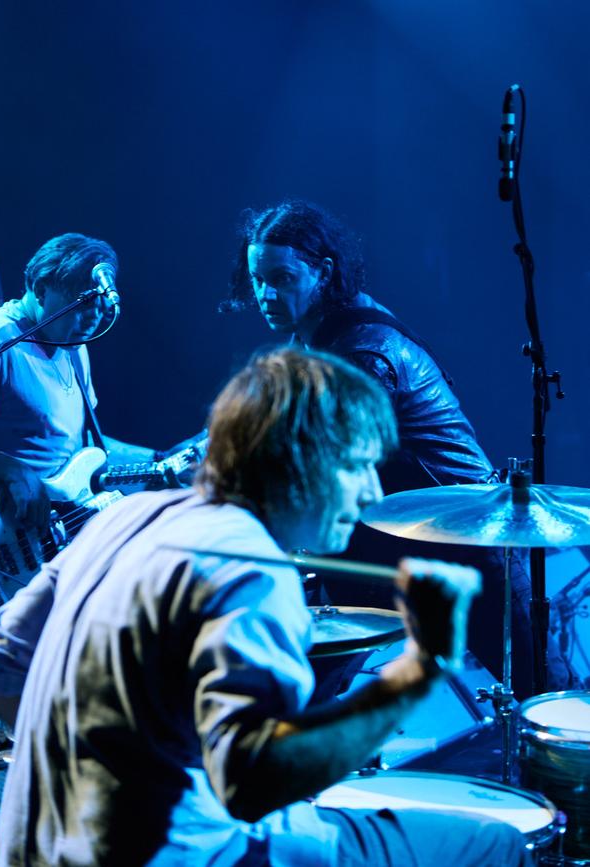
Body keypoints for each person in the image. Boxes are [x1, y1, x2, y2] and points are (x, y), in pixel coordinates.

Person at [0, 348, 531, 866]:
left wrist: (108, 764)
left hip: (24, 855)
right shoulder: (251, 563)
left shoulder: (121, 518)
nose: (371, 495)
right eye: (357, 465)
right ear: (297, 461)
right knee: (490, 841)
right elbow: (254, 782)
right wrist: (418, 672)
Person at [220, 199, 573, 698]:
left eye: (281, 278)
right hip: (389, 542)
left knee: (546, 707)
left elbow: (321, 446)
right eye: (258, 278)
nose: (264, 293)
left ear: (322, 272)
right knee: (297, 689)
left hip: (466, 545)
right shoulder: (318, 337)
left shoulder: (363, 348)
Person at [0, 232, 159, 607]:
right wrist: (10, 470)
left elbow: (80, 446)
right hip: (1, 547)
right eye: (82, 301)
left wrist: (159, 461)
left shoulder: (74, 344)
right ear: (41, 290)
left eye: (99, 302)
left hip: (60, 533)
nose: (94, 316)